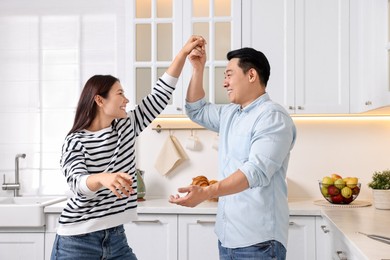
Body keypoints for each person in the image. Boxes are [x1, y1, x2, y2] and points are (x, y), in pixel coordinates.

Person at [50, 36, 206, 260]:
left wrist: (183, 54)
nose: (126, 99)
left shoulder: (126, 126)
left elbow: (160, 95)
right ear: (100, 100)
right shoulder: (75, 140)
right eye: (120, 93)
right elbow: (76, 182)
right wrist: (102, 178)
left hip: (115, 238)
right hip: (77, 240)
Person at [169, 46, 297, 260]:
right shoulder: (230, 114)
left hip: (259, 242)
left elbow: (254, 172)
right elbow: (195, 109)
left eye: (229, 75)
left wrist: (208, 192)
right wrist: (198, 69)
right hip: (227, 238)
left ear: (252, 75)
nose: (224, 82)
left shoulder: (272, 117)